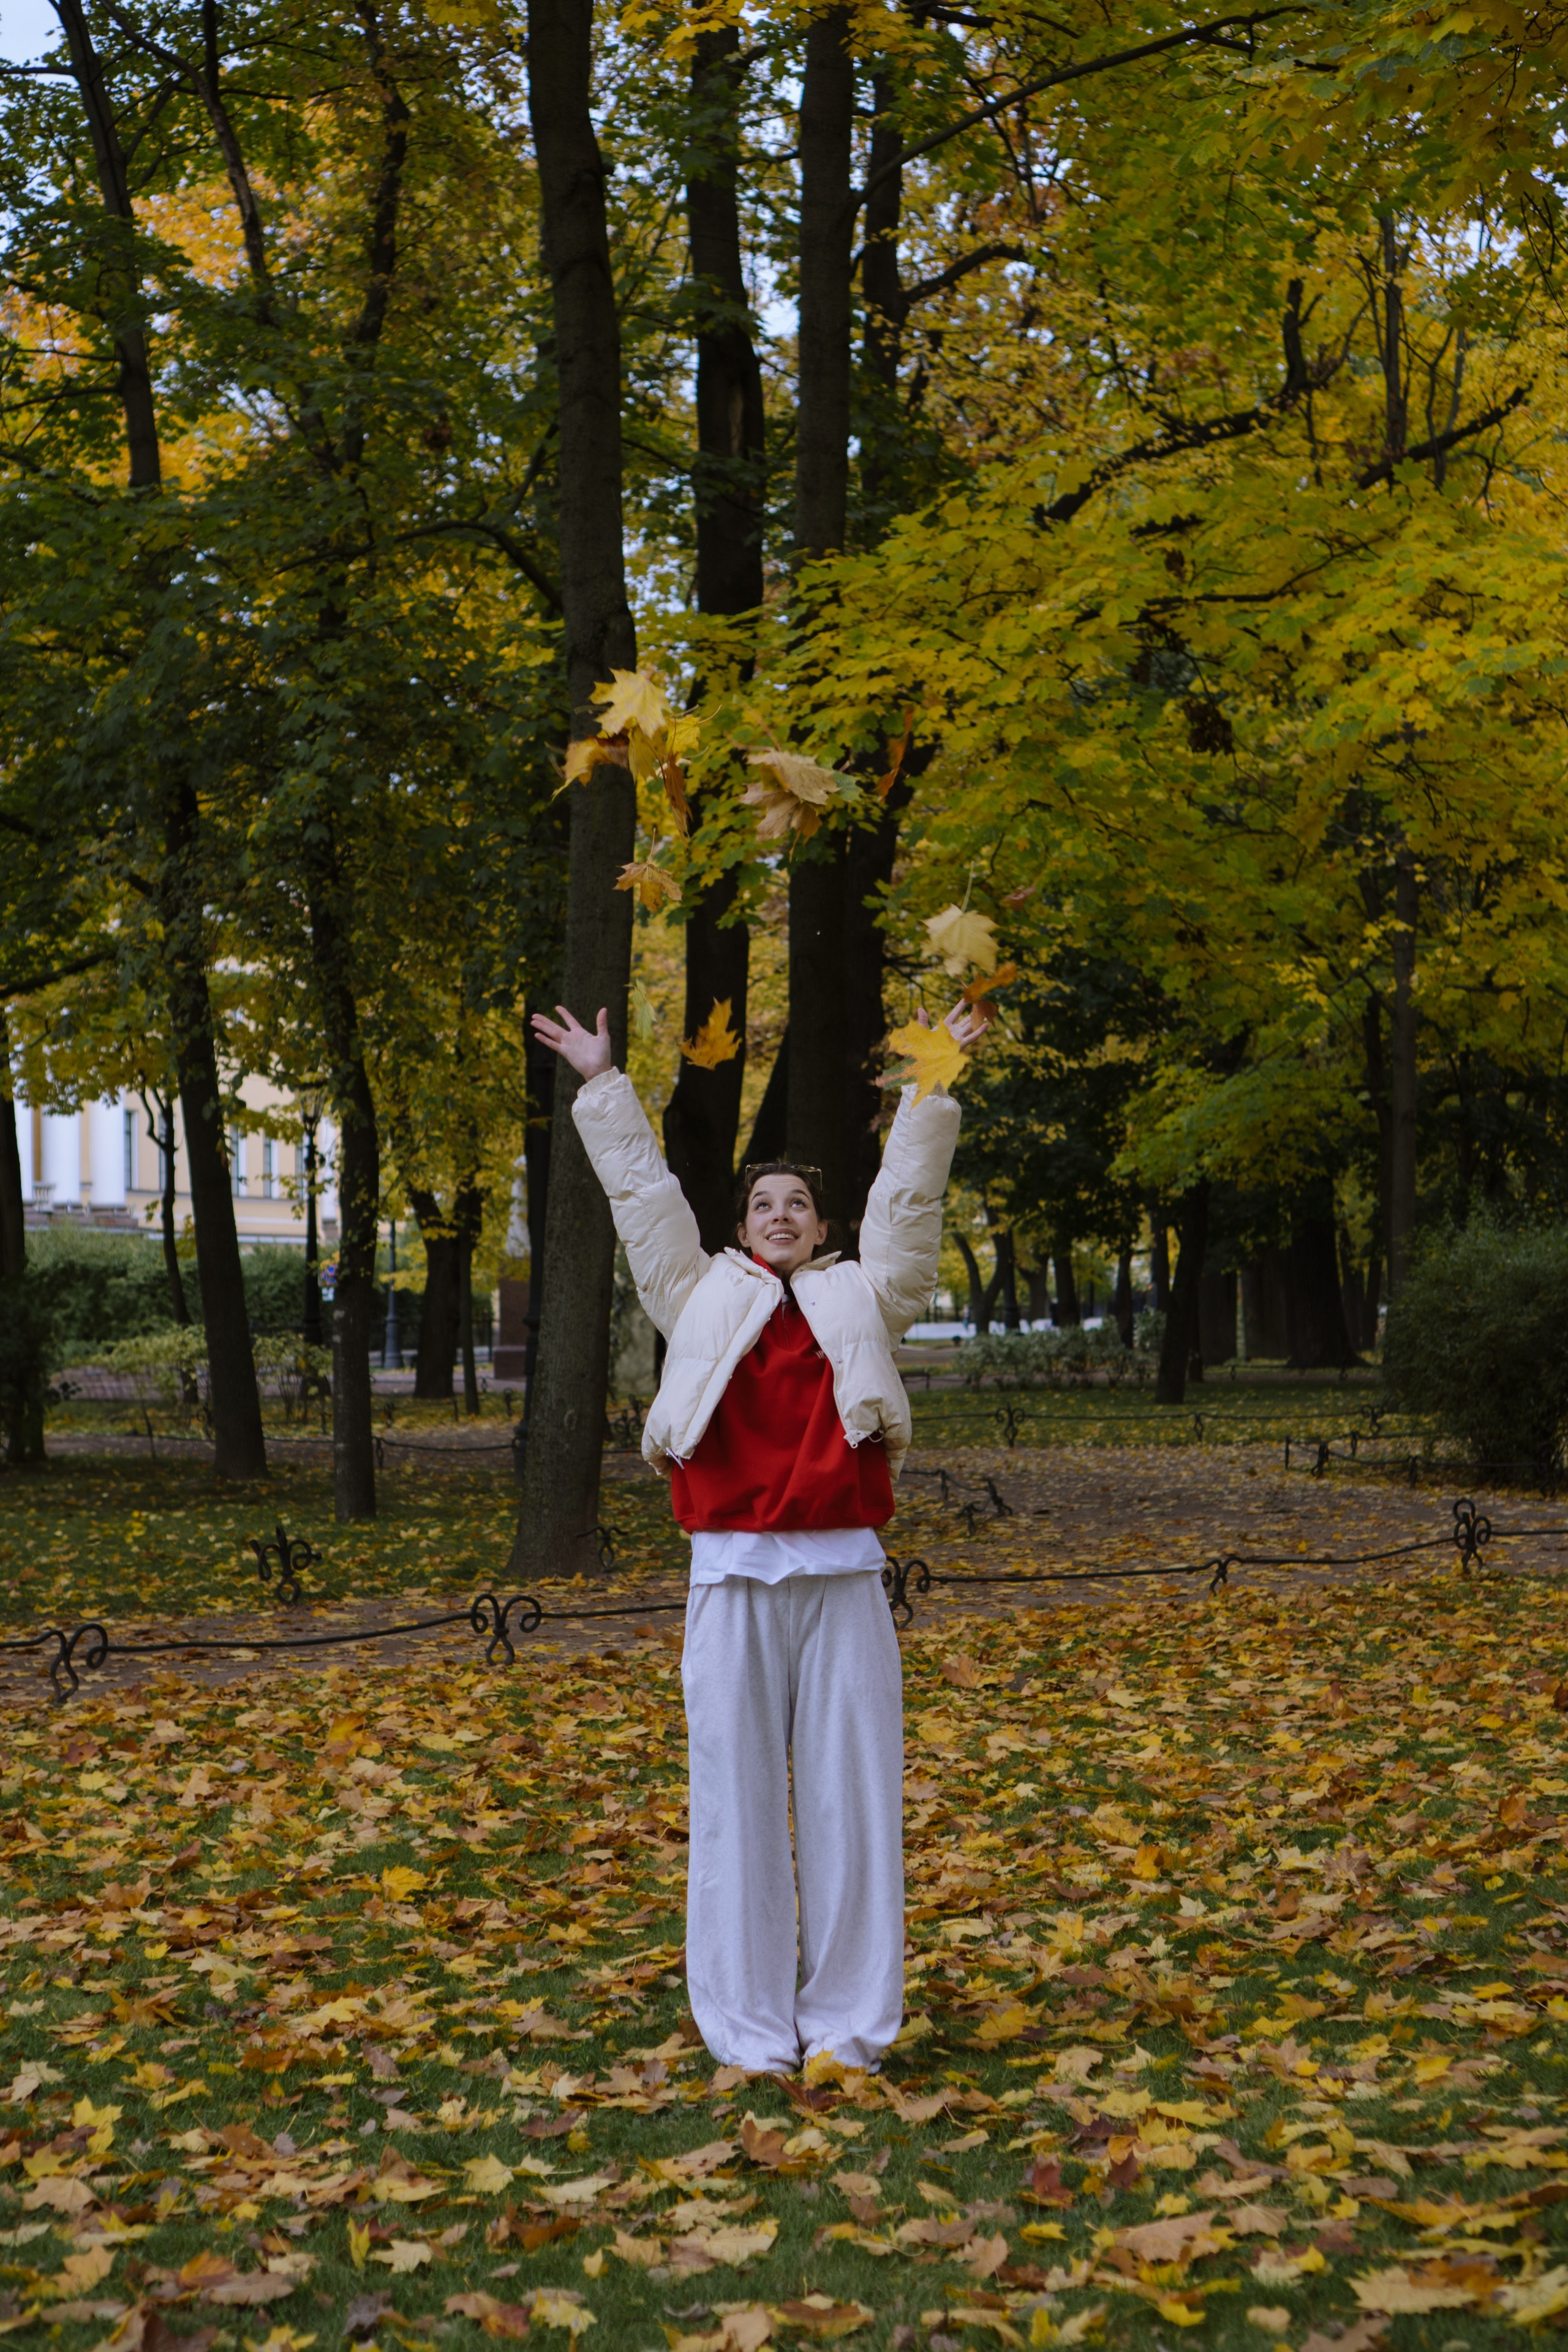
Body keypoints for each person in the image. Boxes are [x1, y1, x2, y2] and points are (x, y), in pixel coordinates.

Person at [530, 998, 986, 2075]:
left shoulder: (865, 1300)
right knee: (733, 1813)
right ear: (742, 1227)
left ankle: (850, 2029)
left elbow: (910, 1209)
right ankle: (748, 2033)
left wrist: (931, 1086)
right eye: (763, 1203)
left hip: (842, 1578)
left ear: (823, 1230)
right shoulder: (698, 1296)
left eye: (799, 1205)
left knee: (854, 1808)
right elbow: (645, 1203)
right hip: (730, 1575)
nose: (782, 1214)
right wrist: (603, 1085)